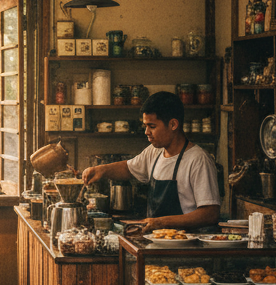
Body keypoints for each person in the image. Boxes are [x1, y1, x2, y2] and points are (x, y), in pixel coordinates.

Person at [80, 90, 220, 233]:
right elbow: (128, 168)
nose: (146, 132)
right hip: (156, 241)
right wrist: (101, 170)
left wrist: (161, 222)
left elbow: (210, 214)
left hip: (187, 242)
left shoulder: (198, 160)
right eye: (145, 126)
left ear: (173, 124)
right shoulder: (154, 152)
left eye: (152, 126)